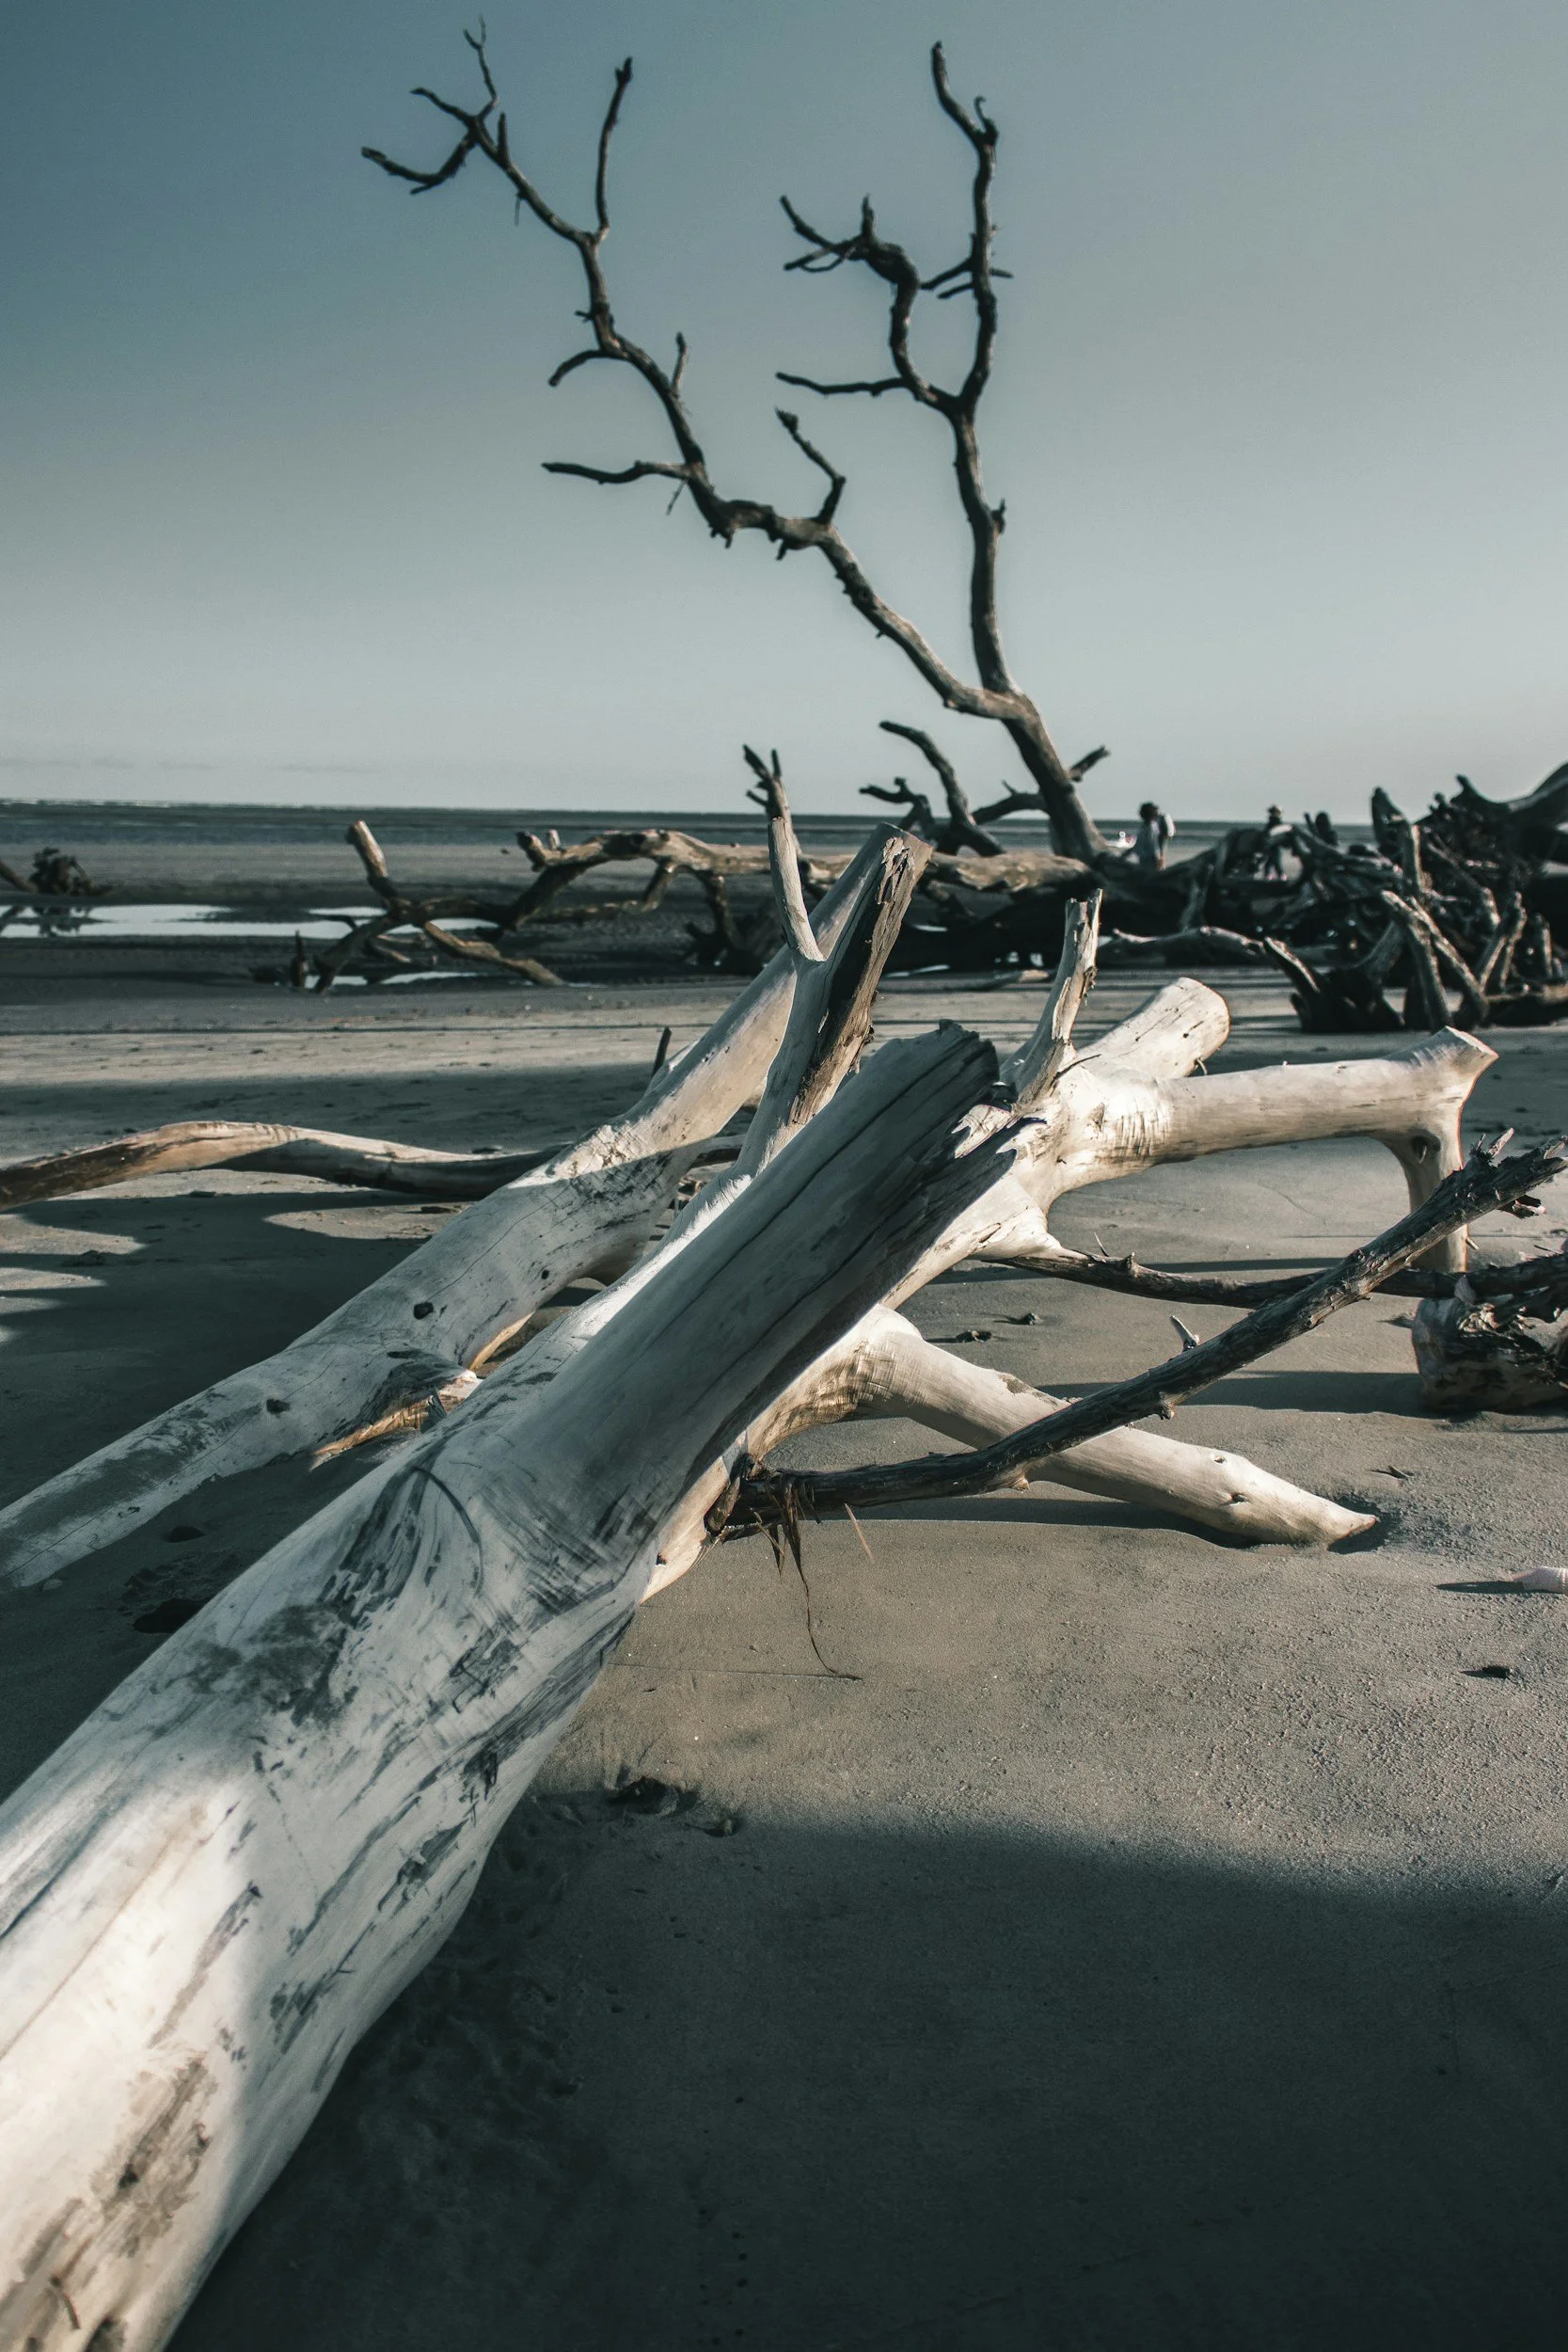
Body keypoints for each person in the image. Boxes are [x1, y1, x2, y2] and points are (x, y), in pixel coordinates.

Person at [1132, 801, 1174, 870]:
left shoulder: (1151, 828)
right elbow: (1138, 844)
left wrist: (1159, 859)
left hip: (1150, 860)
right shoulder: (1145, 827)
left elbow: (1154, 846)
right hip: (1144, 859)